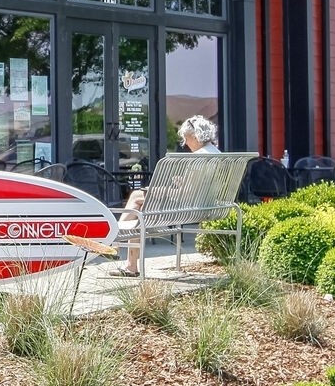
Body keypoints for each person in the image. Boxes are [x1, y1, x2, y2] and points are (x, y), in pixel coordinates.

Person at [64, 116, 223, 276]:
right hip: (207, 206)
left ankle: (113, 242)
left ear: (195, 137)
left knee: (136, 197)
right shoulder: (216, 154)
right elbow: (197, 189)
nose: (186, 144)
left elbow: (186, 194)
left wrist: (160, 190)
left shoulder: (198, 158)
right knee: (139, 207)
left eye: (187, 139)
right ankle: (125, 259)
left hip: (186, 208)